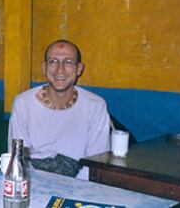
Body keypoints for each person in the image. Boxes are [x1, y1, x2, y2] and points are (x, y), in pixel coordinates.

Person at [8, 39, 110, 179]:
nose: (59, 69)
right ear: (44, 67)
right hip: (34, 180)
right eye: (53, 61)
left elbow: (96, 162)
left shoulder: (96, 106)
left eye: (68, 62)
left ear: (79, 69)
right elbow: (19, 158)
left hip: (79, 182)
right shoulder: (23, 103)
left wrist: (73, 189)